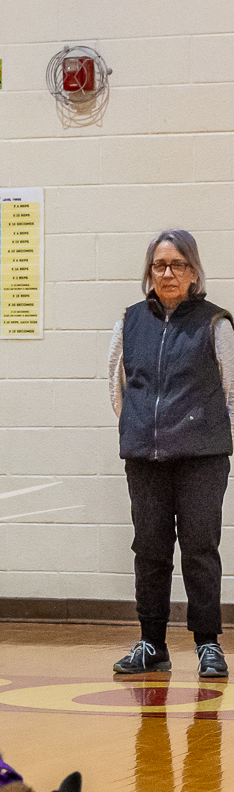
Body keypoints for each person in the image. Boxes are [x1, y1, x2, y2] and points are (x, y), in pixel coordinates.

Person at [110, 229, 233, 679]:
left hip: (203, 457)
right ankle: (152, 643)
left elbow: (231, 391)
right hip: (145, 457)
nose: (168, 273)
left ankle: (208, 644)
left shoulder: (215, 324)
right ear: (150, 272)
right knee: (150, 549)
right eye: (159, 265)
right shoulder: (129, 321)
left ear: (193, 272)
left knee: (200, 548)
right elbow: (117, 387)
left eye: (177, 265)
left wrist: (210, 435)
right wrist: (142, 427)